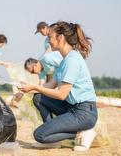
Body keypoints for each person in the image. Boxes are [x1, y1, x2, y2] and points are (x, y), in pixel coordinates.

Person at [18, 21, 97, 151]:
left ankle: (82, 132)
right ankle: (52, 135)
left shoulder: (72, 60)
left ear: (61, 37)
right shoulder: (64, 60)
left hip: (84, 112)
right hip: (70, 108)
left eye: (50, 37)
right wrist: (28, 89)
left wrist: (36, 87)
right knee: (38, 98)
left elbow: (61, 94)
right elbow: (49, 85)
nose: (48, 41)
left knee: (39, 135)